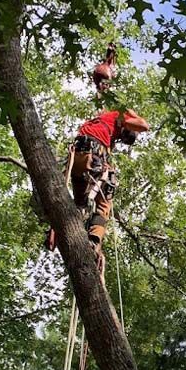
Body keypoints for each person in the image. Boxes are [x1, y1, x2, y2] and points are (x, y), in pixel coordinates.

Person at [46, 108, 150, 264]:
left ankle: (58, 229)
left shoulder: (101, 121)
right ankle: (94, 240)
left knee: (80, 204)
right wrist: (133, 113)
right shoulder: (120, 116)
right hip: (93, 155)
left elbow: (104, 145)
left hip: (78, 157)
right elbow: (144, 125)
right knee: (104, 202)